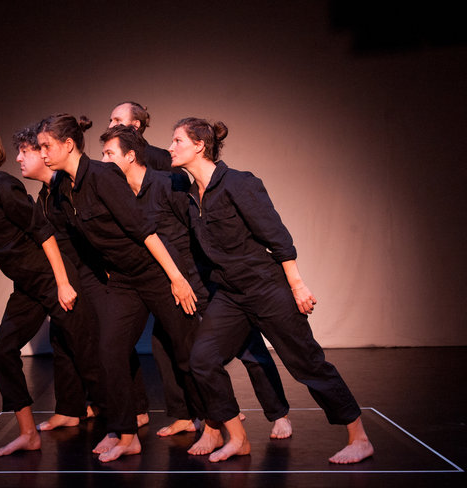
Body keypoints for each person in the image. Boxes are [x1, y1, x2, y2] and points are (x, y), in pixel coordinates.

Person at [169, 117, 374, 464]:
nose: (171, 148)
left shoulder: (238, 183)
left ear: (199, 145)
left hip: (266, 288)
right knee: (202, 359)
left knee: (306, 363)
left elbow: (277, 237)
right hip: (230, 294)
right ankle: (238, 438)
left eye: (177, 141)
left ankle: (360, 438)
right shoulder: (191, 197)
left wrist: (297, 285)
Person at [100, 125, 293, 442]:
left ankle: (278, 413)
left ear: (131, 155)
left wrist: (199, 275)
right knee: (167, 347)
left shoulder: (168, 184)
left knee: (247, 347)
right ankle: (190, 415)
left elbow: (196, 227)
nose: (103, 161)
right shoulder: (123, 195)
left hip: (199, 278)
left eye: (109, 153)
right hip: (168, 283)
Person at [36, 113, 202, 463]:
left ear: (68, 145)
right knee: (110, 350)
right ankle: (126, 434)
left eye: (46, 146)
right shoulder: (64, 189)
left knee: (187, 348)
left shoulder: (102, 176)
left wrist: (177, 278)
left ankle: (218, 423)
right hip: (125, 280)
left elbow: (144, 230)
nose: (42, 153)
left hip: (156, 271)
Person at [0, 119, 91, 457]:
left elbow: (43, 231)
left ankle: (124, 426)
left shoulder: (1, 185)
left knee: (86, 351)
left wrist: (62, 283)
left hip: (50, 279)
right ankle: (28, 433)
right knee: (2, 352)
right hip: (27, 286)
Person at [11, 124, 109, 430]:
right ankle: (70, 408)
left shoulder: (67, 188)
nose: (19, 159)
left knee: (92, 346)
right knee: (62, 341)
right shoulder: (45, 194)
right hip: (68, 277)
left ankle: (123, 414)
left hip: (87, 277)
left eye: (25, 152)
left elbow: (93, 233)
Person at [108, 101, 182, 174]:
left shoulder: (159, 157)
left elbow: (181, 180)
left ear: (135, 125)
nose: (110, 126)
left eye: (118, 120)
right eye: (111, 121)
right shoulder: (110, 157)